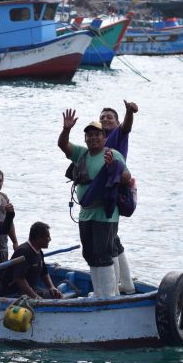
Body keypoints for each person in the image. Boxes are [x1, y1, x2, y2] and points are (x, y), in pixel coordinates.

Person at [58, 109, 130, 298]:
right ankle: (100, 294)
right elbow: (63, 145)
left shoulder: (112, 154)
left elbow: (126, 177)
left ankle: (108, 297)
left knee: (103, 253)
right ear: (85, 139)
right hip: (85, 213)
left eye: (97, 135)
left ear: (104, 138)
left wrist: (112, 167)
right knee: (89, 253)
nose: (93, 138)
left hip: (105, 214)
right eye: (89, 135)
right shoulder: (82, 154)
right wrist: (66, 129)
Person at [100, 100, 138, 294]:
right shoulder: (98, 140)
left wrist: (128, 112)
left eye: (110, 117)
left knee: (107, 242)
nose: (105, 119)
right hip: (106, 192)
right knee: (113, 238)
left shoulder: (117, 136)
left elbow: (126, 127)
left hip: (112, 192)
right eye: (102, 117)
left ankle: (113, 288)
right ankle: (128, 284)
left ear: (116, 122)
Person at [3, 222, 63, 299]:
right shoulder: (23, 251)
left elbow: (44, 272)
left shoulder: (39, 251)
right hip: (14, 293)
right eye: (47, 237)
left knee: (57, 295)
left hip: (31, 290)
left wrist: (52, 287)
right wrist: (34, 296)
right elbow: (19, 278)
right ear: (38, 238)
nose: (50, 239)